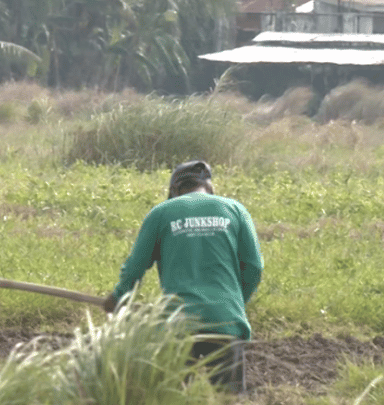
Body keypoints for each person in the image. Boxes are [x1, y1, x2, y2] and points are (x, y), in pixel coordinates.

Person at [103, 160, 264, 392]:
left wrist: (119, 297)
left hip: (177, 325)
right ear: (209, 186)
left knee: (171, 404)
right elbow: (254, 267)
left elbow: (135, 267)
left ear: (175, 190)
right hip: (225, 321)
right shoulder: (235, 210)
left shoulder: (161, 213)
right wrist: (233, 304)